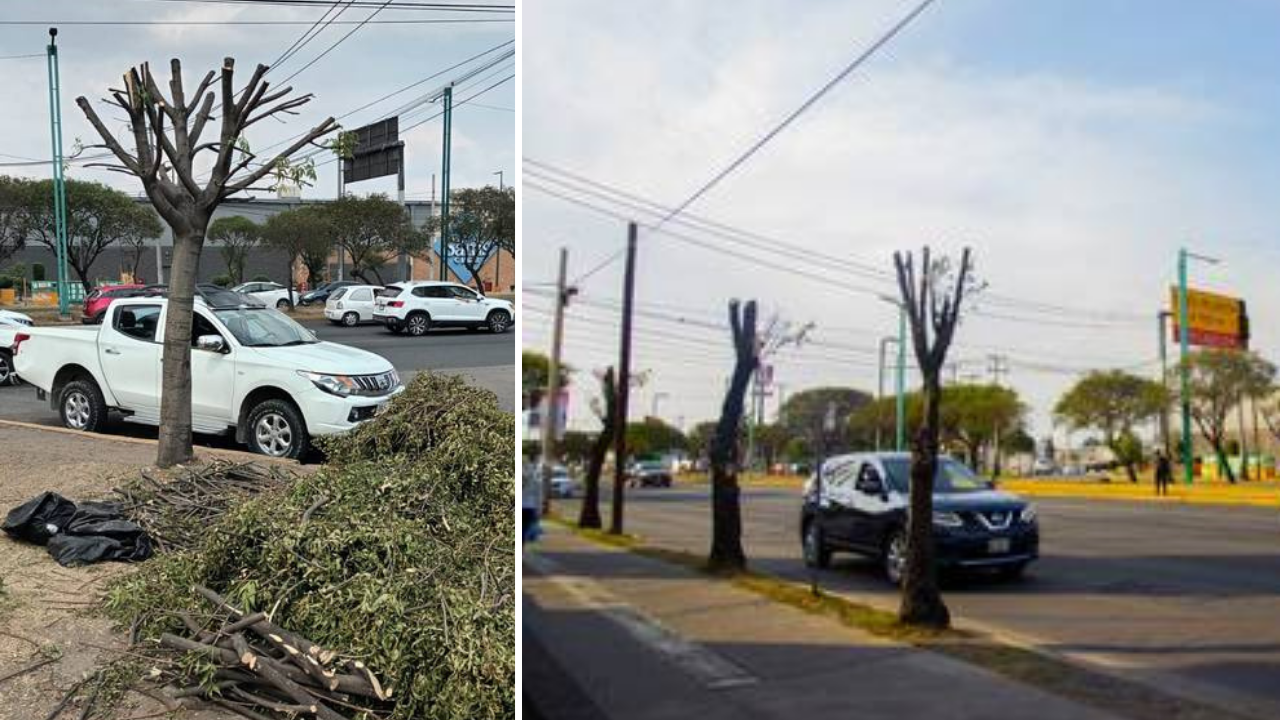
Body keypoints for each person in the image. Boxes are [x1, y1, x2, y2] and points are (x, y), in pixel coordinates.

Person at [522, 461, 542, 543]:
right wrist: (538, 510)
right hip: (530, 507)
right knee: (525, 529)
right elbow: (538, 496)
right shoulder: (535, 481)